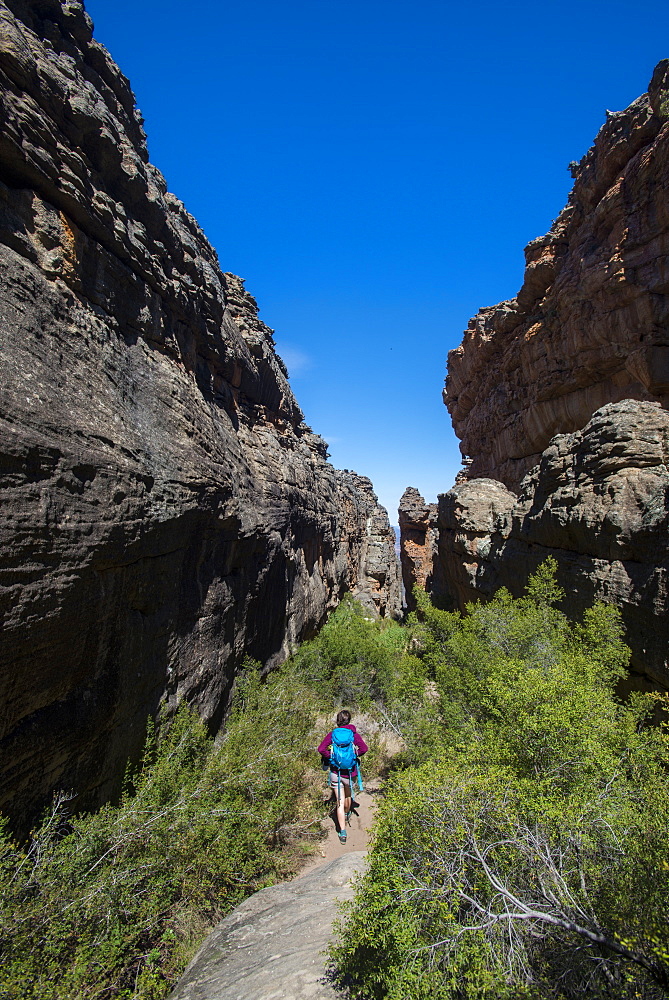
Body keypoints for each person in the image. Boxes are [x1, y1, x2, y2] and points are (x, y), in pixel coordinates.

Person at [317, 710, 368, 844]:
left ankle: (342, 832)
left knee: (339, 801)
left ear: (338, 721)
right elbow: (364, 748)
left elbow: (321, 749)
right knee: (347, 796)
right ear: (349, 720)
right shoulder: (353, 734)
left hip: (335, 772)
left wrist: (332, 757)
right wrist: (353, 755)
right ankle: (346, 813)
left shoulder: (333, 734)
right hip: (350, 772)